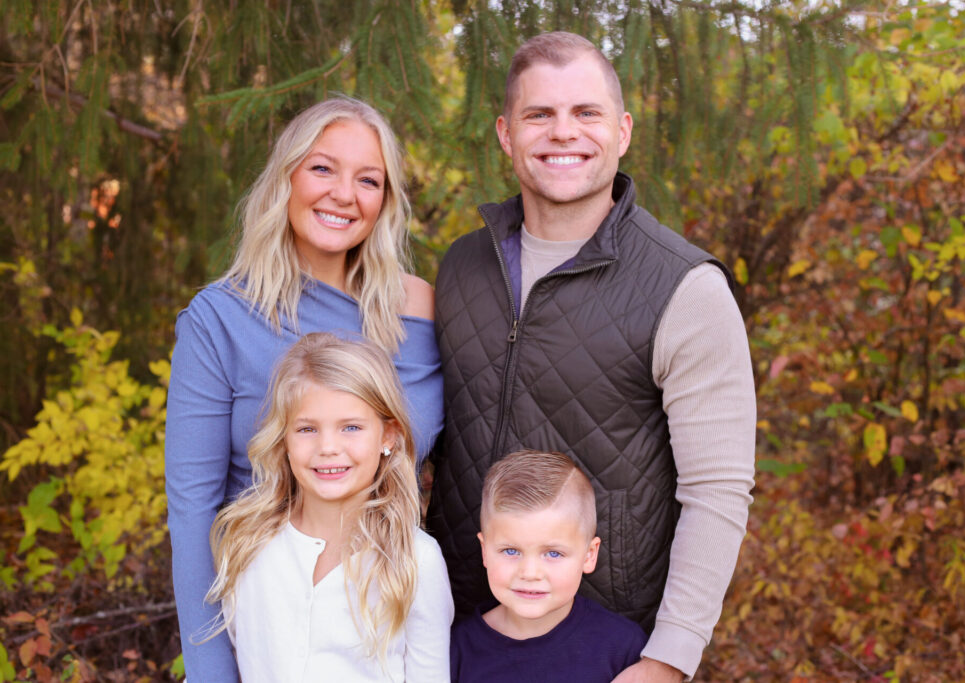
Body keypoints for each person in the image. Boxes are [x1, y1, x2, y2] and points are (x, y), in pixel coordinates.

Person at [429, 32, 756, 681]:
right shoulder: (463, 268)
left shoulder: (684, 288)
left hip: (606, 651)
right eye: (539, 114)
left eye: (586, 113)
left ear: (623, 130)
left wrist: (667, 657)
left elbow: (716, 491)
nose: (562, 133)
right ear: (505, 133)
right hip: (458, 636)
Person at [165, 97, 443, 681]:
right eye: (322, 168)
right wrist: (212, 671)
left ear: (385, 202)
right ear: (285, 178)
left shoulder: (414, 309)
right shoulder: (219, 318)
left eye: (368, 180)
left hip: (384, 605)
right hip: (270, 610)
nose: (344, 194)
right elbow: (193, 510)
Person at [204, 332, 453, 681]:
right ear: (284, 439)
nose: (328, 447)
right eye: (307, 429)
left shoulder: (416, 561)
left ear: (388, 436)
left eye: (350, 427)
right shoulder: (248, 544)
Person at [450, 450, 646, 682]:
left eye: (553, 553)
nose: (530, 573)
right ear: (485, 551)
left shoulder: (623, 648)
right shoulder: (457, 649)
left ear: (589, 555)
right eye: (511, 551)